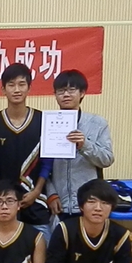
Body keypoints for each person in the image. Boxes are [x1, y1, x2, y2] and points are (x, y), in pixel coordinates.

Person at [0, 64, 53, 242]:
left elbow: (48, 161)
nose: (16, 89)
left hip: (36, 199)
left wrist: (37, 190)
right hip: (4, 203)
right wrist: (3, 197)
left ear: (29, 88)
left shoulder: (43, 121)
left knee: (42, 251)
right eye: (11, 85)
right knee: (5, 253)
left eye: (21, 84)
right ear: (3, 89)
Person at [46, 70, 114, 219]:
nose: (66, 95)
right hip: (58, 204)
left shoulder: (97, 123)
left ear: (82, 93)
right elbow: (42, 165)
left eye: (71, 90)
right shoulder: (47, 123)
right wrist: (51, 194)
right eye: (61, 91)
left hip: (89, 202)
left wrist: (85, 145)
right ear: (55, 94)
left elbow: (107, 159)